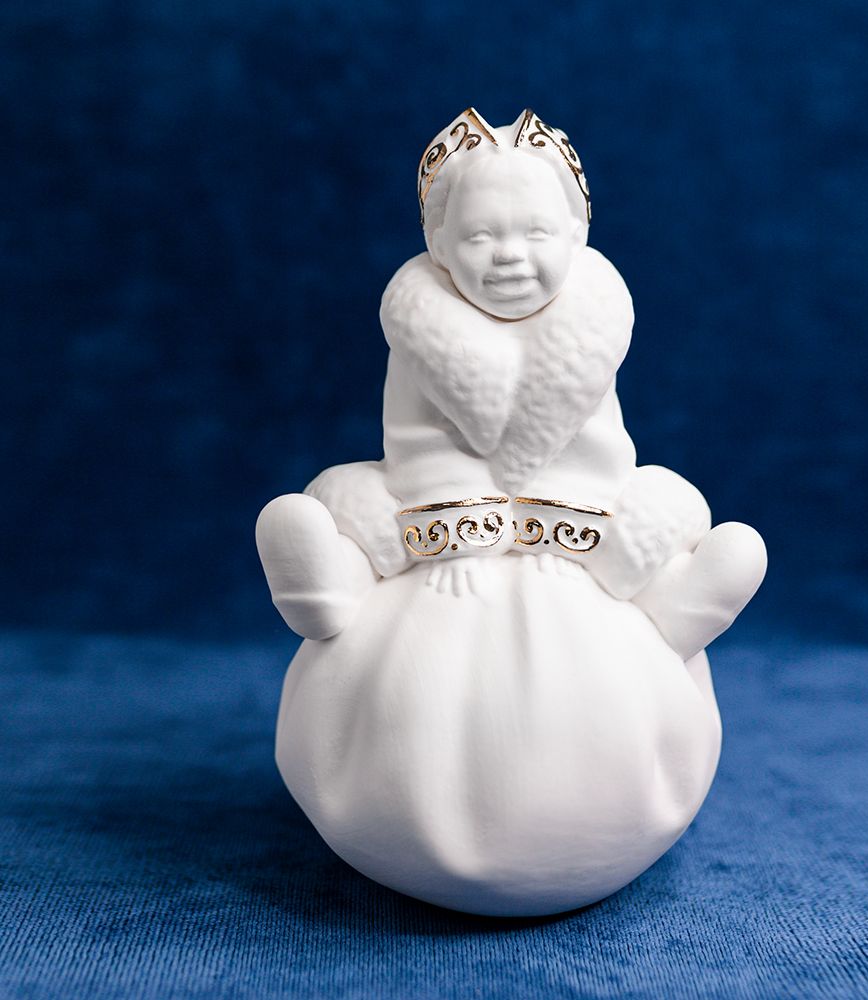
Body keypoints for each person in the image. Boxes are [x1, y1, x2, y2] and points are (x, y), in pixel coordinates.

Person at [257, 108, 766, 665]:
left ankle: (680, 606)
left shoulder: (592, 323)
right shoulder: (421, 326)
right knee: (366, 512)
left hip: (577, 505)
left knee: (653, 513)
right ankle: (331, 586)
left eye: (537, 233)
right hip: (437, 502)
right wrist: (460, 535)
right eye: (479, 236)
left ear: (576, 237)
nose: (510, 255)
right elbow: (414, 439)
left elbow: (598, 446)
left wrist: (557, 529)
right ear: (439, 245)